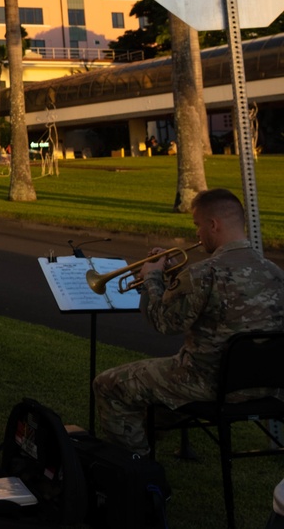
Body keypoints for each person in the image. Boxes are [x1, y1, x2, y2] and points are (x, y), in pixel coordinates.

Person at [94, 188, 284, 455]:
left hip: (207, 383)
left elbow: (164, 323)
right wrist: (175, 276)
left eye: (197, 225)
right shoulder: (274, 272)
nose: (196, 234)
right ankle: (151, 435)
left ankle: (137, 467)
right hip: (266, 386)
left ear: (213, 225)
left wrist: (151, 278)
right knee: (153, 387)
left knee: (108, 384)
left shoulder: (203, 274)